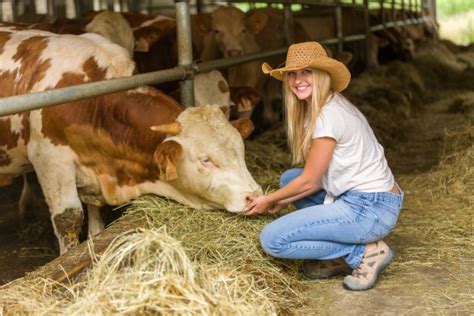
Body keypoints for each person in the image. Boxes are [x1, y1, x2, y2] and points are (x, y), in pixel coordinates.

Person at [244, 41, 404, 291]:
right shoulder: (324, 105)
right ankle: (344, 252)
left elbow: (309, 181)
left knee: (273, 240)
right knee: (289, 179)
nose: (298, 80)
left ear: (322, 75)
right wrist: (283, 199)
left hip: (370, 208)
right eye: (292, 74)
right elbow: (318, 179)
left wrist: (269, 199)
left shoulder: (328, 116)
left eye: (306, 72)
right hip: (366, 199)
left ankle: (363, 252)